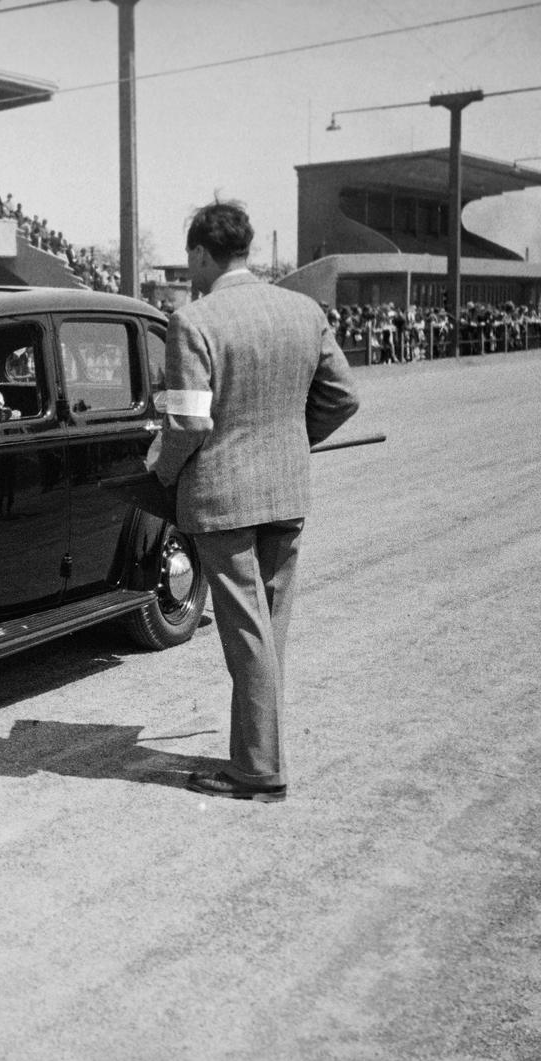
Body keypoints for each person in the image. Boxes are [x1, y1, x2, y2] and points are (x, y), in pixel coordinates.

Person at [148, 200, 360, 803]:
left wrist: (161, 472)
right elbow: (343, 397)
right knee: (266, 632)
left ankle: (260, 772)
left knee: (247, 635)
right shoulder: (303, 310)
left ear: (198, 254)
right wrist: (295, 439)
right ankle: (256, 756)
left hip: (223, 499)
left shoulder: (194, 321)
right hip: (286, 492)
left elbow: (187, 425)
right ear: (244, 249)